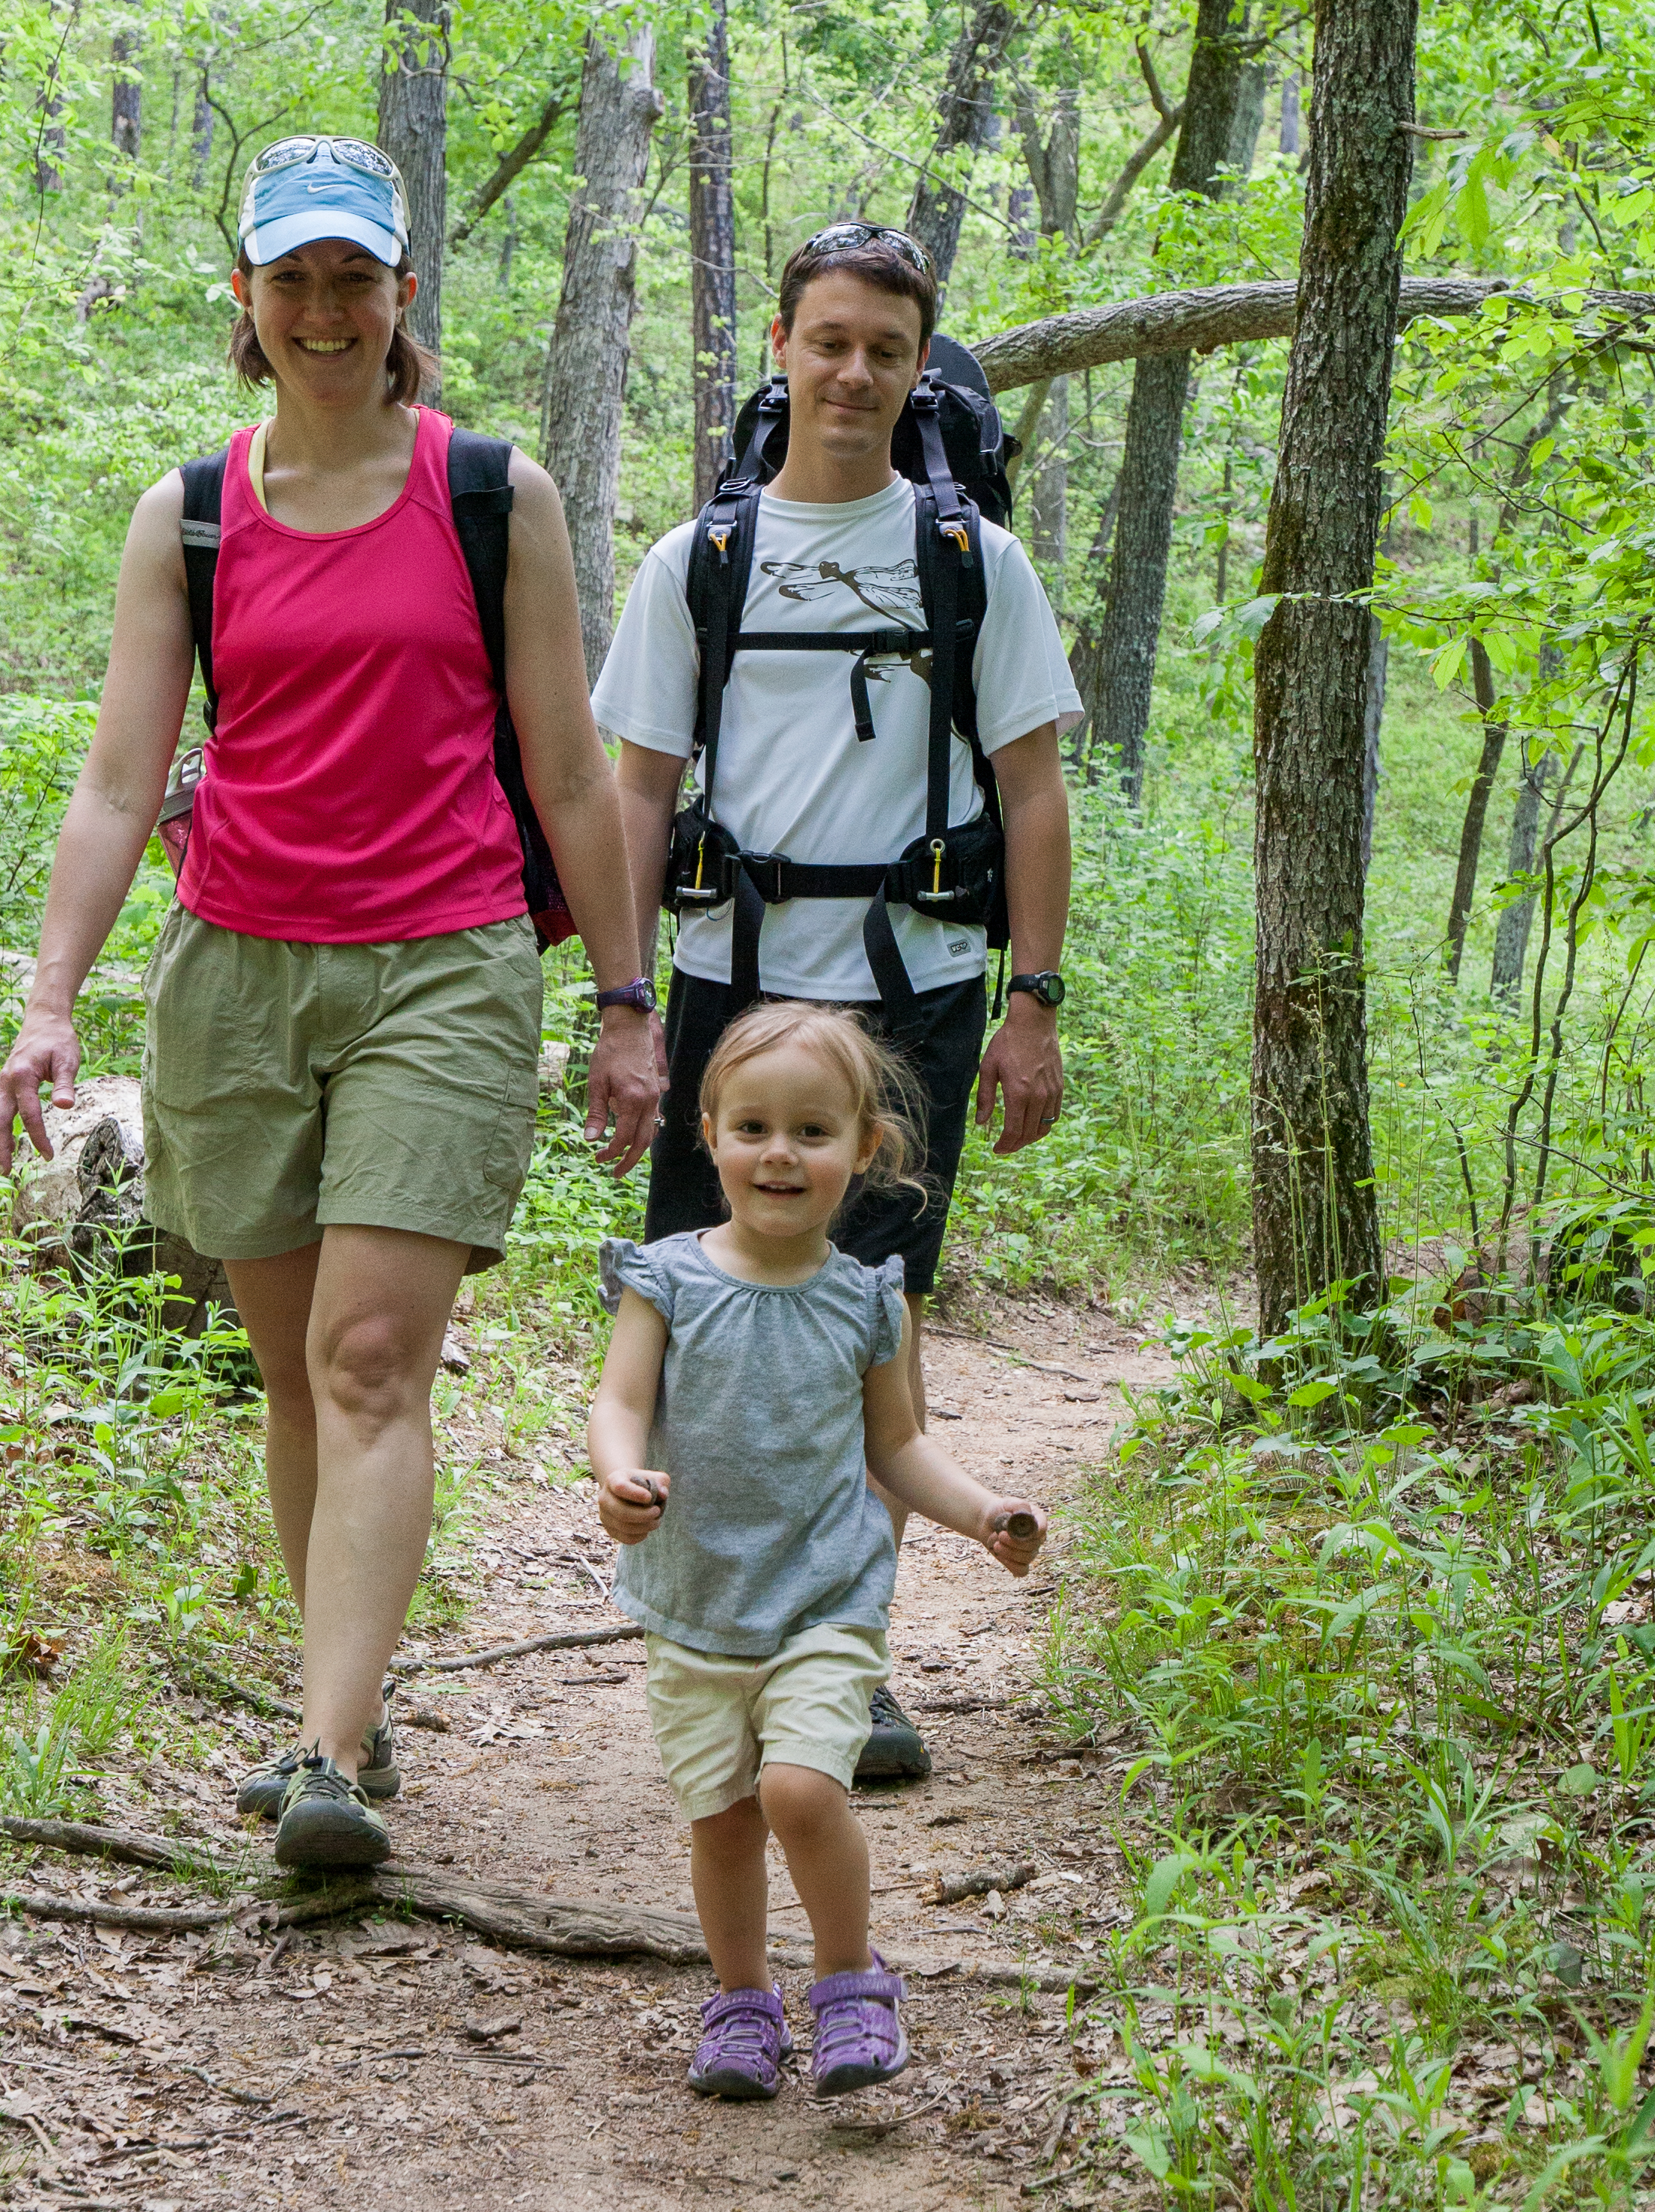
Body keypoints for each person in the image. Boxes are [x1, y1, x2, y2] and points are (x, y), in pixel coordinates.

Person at [0, 136, 664, 1871]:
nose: (322, 309)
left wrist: (622, 999)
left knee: (373, 1354)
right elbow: (123, 774)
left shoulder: (493, 497)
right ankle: (333, 1702)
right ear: (247, 299)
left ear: (402, 296)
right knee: (295, 1366)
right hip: (234, 972)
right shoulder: (193, 514)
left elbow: (574, 776)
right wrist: (49, 997)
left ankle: (335, 1753)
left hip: (443, 962)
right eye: (290, 279)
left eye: (352, 278)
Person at [596, 223, 1079, 1785]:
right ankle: (714, 1633)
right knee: (705, 1320)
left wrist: (1037, 1000)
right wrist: (621, 1000)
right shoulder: (701, 560)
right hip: (730, 973)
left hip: (920, 981)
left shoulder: (972, 563)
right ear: (784, 350)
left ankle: (847, 1658)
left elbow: (1033, 787)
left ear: (918, 361)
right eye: (830, 341)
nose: (856, 371)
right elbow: (634, 790)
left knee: (873, 1317)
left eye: (887, 346)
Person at [588, 1002, 1046, 2101]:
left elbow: (898, 1445)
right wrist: (616, 1477)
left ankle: (850, 1982)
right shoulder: (666, 1280)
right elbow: (617, 1400)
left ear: (862, 1150)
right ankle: (742, 2000)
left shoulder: (864, 1301)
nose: (780, 1152)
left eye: (811, 1130)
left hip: (825, 1601)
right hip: (696, 1600)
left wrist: (984, 1511)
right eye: (753, 1126)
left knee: (797, 1791)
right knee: (724, 1818)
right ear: (709, 1133)